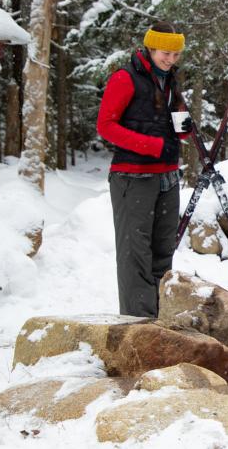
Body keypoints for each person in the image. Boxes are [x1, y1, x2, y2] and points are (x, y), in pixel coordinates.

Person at [97, 21, 192, 318]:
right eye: (165, 53)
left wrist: (185, 128)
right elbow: (106, 126)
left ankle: (159, 320)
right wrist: (151, 145)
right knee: (134, 255)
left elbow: (176, 126)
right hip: (132, 177)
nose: (170, 59)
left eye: (176, 54)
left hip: (167, 176)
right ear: (150, 47)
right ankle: (137, 326)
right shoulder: (125, 78)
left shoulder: (170, 80)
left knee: (163, 252)